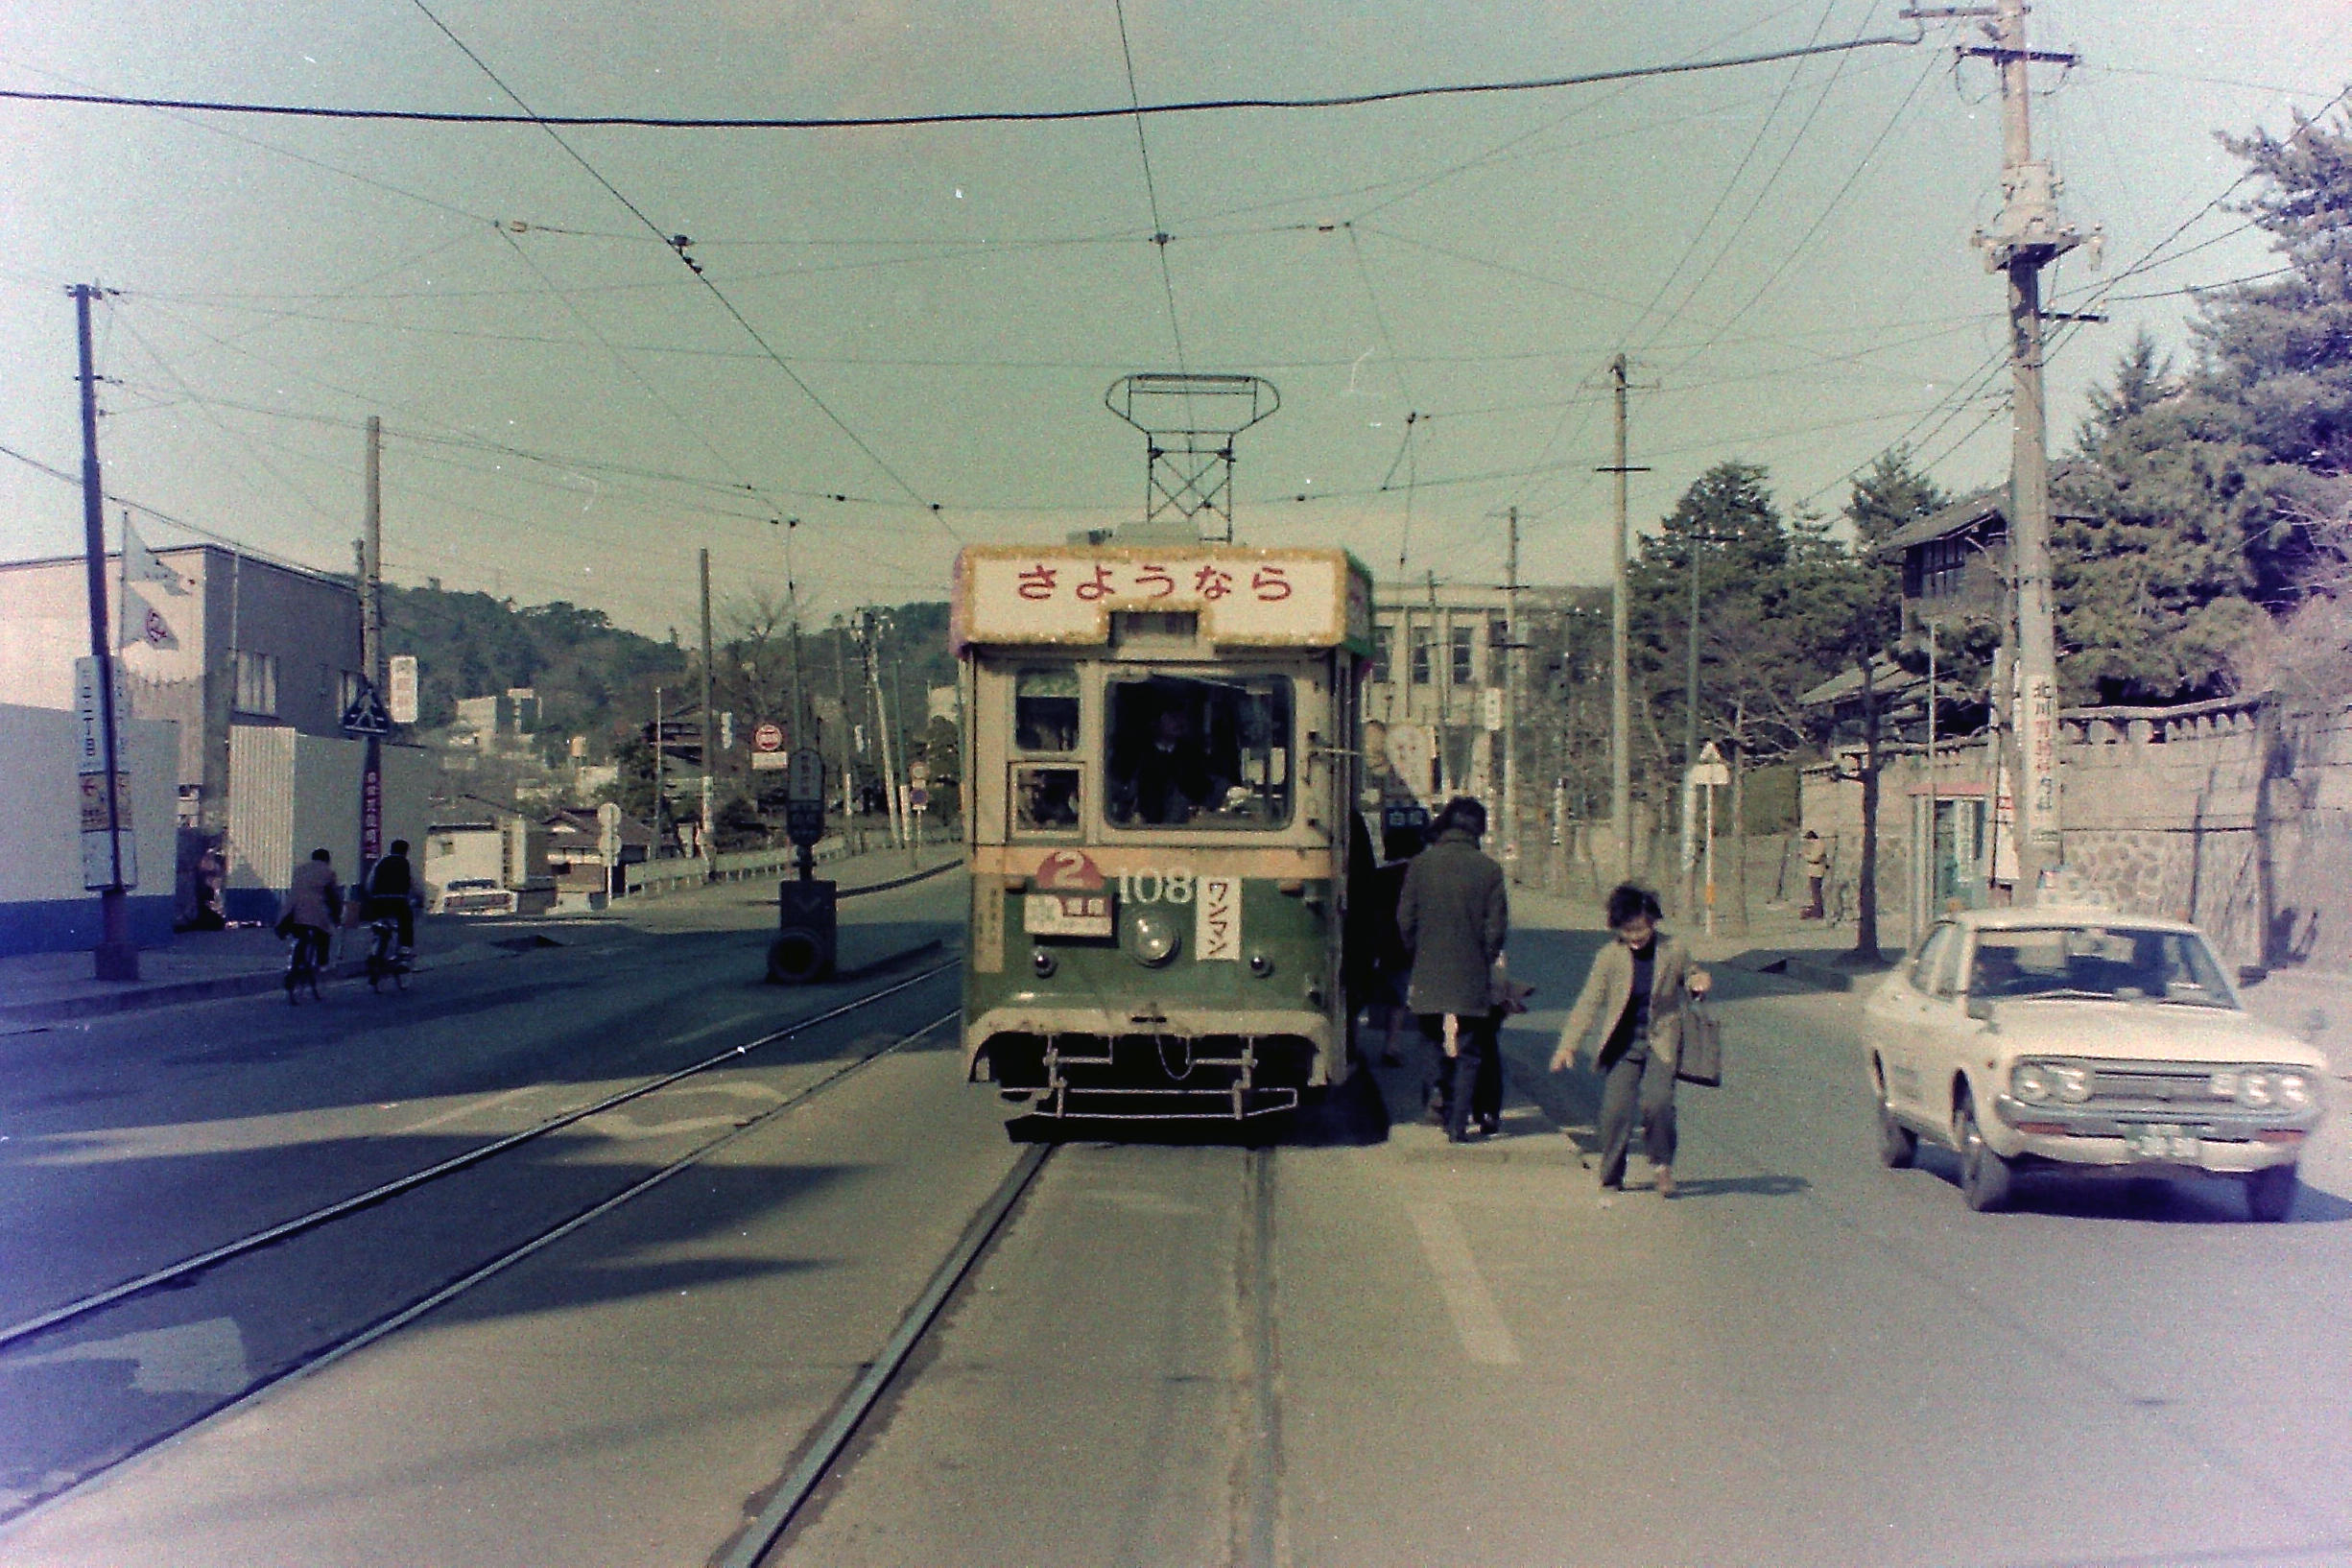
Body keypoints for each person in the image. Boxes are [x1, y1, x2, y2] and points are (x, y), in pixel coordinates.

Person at [1550, 884, 1710, 1200]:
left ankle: (1662, 1164)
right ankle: (1612, 1172)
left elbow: (1690, 975)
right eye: (1627, 931)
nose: (1635, 938)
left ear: (1652, 921)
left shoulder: (1673, 949)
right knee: (1615, 1112)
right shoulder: (1609, 957)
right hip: (1623, 1044)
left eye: (1640, 929)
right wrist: (1568, 1045)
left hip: (1661, 1039)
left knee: (1658, 1103)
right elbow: (1588, 1002)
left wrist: (1697, 981)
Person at [1396, 796, 1509, 1143]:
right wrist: (1484, 957)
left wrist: (1417, 951)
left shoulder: (1421, 865)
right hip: (1472, 971)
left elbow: (1405, 919)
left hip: (1428, 967)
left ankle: (1437, 1094)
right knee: (1471, 1050)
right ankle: (1458, 1125)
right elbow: (1497, 928)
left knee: (1430, 1038)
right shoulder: (1489, 870)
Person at [1113, 700, 1214, 825]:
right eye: (1171, 717)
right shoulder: (1137, 755)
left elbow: (1203, 791)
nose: (1179, 721)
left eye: (1182, 716)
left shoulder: (1192, 755)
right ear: (1156, 721)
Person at [279, 847, 343, 975]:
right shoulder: (328, 872)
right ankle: (322, 963)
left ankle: (293, 964)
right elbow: (334, 897)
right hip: (314, 910)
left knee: (299, 934)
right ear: (327, 860)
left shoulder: (300, 870)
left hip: (292, 910)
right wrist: (337, 915)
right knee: (324, 933)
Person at [362, 839, 418, 957]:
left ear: (391, 849)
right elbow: (416, 885)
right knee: (406, 920)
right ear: (406, 851)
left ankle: (376, 941)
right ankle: (405, 947)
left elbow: (369, 883)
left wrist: (372, 895)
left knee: (379, 921)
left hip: (378, 900)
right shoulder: (407, 864)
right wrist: (419, 897)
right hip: (399, 900)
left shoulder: (380, 862)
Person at [1801, 830, 1829, 920]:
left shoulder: (1819, 845)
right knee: (1815, 892)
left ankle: (1818, 911)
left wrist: (1806, 856)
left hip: (1817, 871)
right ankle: (1817, 909)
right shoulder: (1817, 845)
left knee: (1816, 892)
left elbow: (1815, 858)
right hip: (1815, 871)